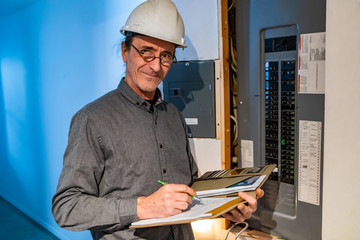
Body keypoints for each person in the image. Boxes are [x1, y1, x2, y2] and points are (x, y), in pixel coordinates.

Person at [52, 0, 264, 239]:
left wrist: (226, 206)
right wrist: (142, 207)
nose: (155, 66)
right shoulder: (93, 119)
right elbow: (66, 208)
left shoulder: (173, 116)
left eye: (165, 56)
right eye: (146, 52)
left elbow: (190, 188)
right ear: (125, 51)